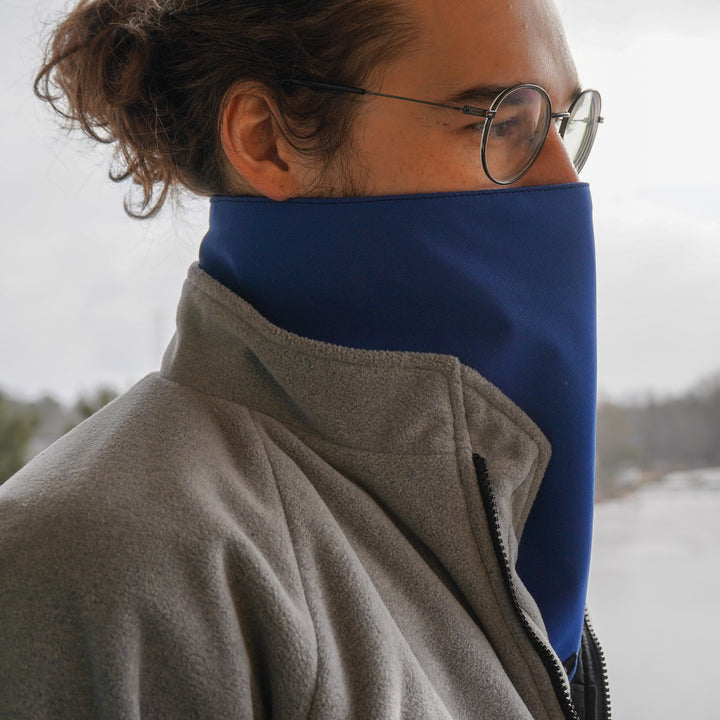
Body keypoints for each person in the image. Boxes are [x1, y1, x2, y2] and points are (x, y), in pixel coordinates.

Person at [0, 0, 610, 718]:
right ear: (265, 141)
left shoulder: (481, 526)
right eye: (501, 123)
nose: (565, 179)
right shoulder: (107, 563)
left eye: (564, 122)